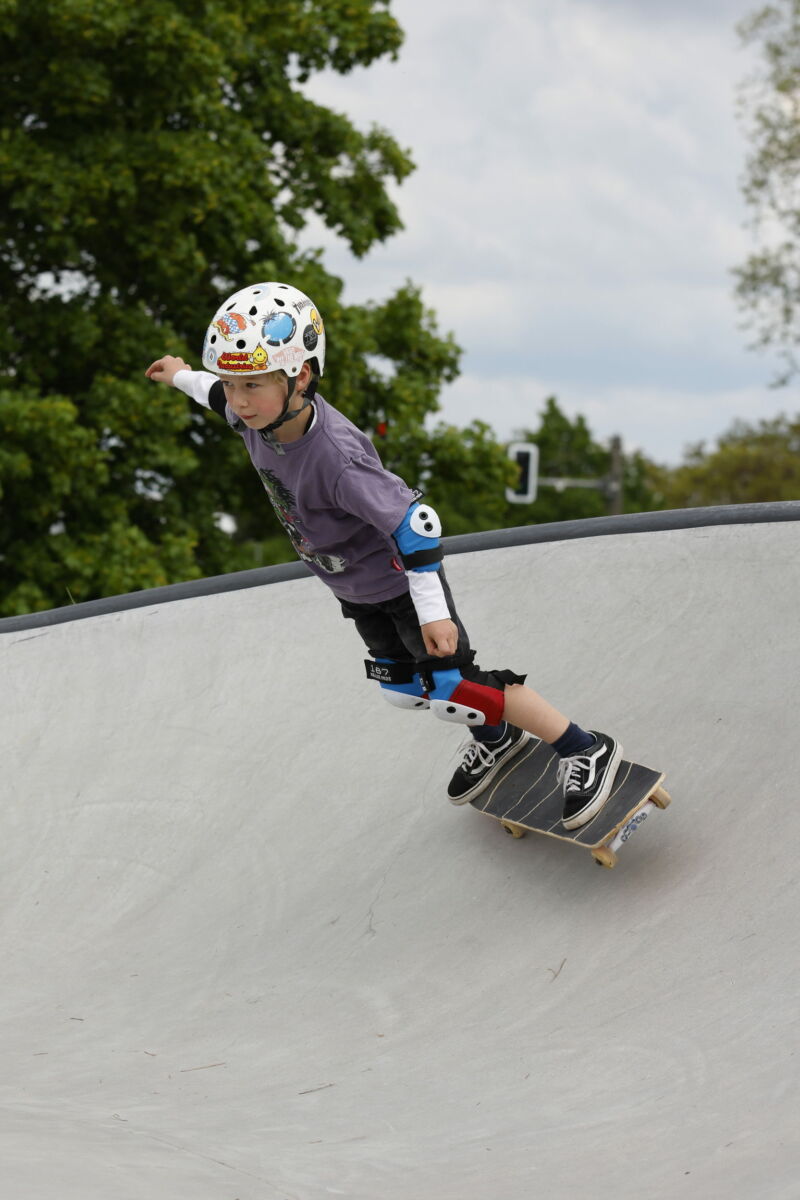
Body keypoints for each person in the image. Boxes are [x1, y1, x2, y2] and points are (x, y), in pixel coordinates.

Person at [145, 281, 622, 828]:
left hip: (402, 588)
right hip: (356, 591)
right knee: (403, 691)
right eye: (233, 386)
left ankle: (583, 747)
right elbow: (211, 393)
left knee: (456, 687)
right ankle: (498, 738)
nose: (240, 400)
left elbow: (417, 527)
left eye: (252, 385)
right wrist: (179, 372)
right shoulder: (252, 415)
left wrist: (433, 611)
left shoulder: (336, 458)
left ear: (299, 377)